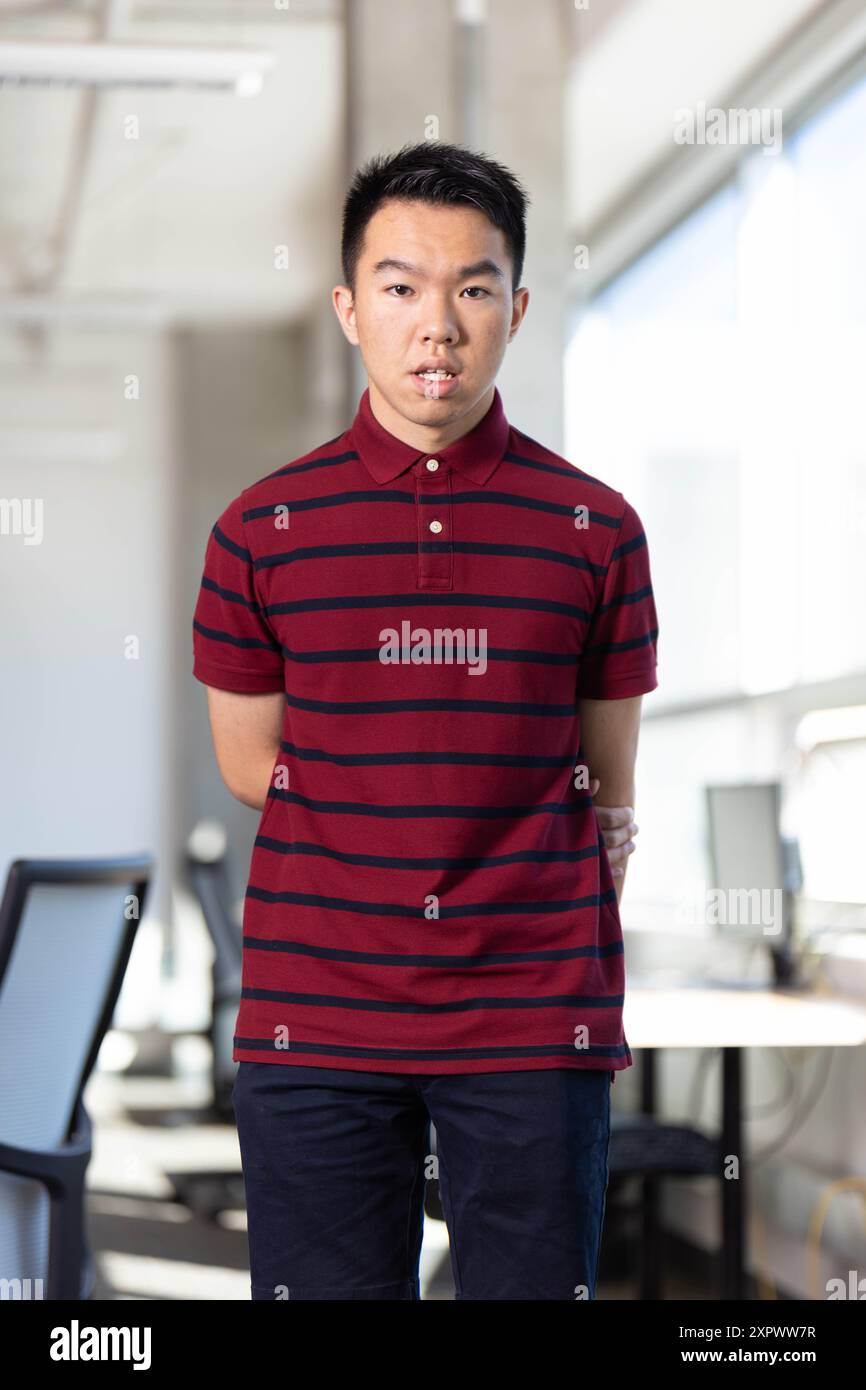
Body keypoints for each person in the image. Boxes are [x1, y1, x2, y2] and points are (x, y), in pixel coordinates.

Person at [192, 141, 659, 1300]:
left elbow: (602, 784)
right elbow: (255, 767)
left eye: (472, 287)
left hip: (533, 1015)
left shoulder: (596, 530)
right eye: (400, 287)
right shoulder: (260, 531)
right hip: (317, 1015)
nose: (435, 325)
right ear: (351, 308)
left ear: (516, 306)